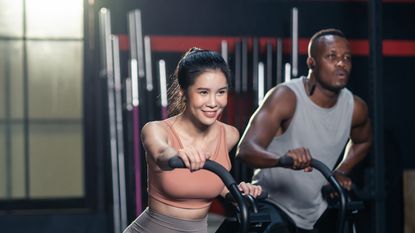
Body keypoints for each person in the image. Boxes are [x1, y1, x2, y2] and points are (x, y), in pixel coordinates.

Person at [236, 28, 372, 233]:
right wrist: (282, 160)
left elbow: (363, 141)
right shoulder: (286, 96)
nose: (341, 64)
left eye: (347, 58)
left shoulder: (355, 107)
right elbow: (245, 150)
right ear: (311, 63)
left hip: (316, 211)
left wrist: (341, 171)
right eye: (332, 57)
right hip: (272, 204)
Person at [123, 47, 262, 233]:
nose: (213, 103)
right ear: (183, 92)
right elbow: (162, 153)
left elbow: (211, 181)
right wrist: (179, 155)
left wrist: (237, 192)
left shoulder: (229, 135)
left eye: (221, 92)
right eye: (203, 92)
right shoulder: (156, 130)